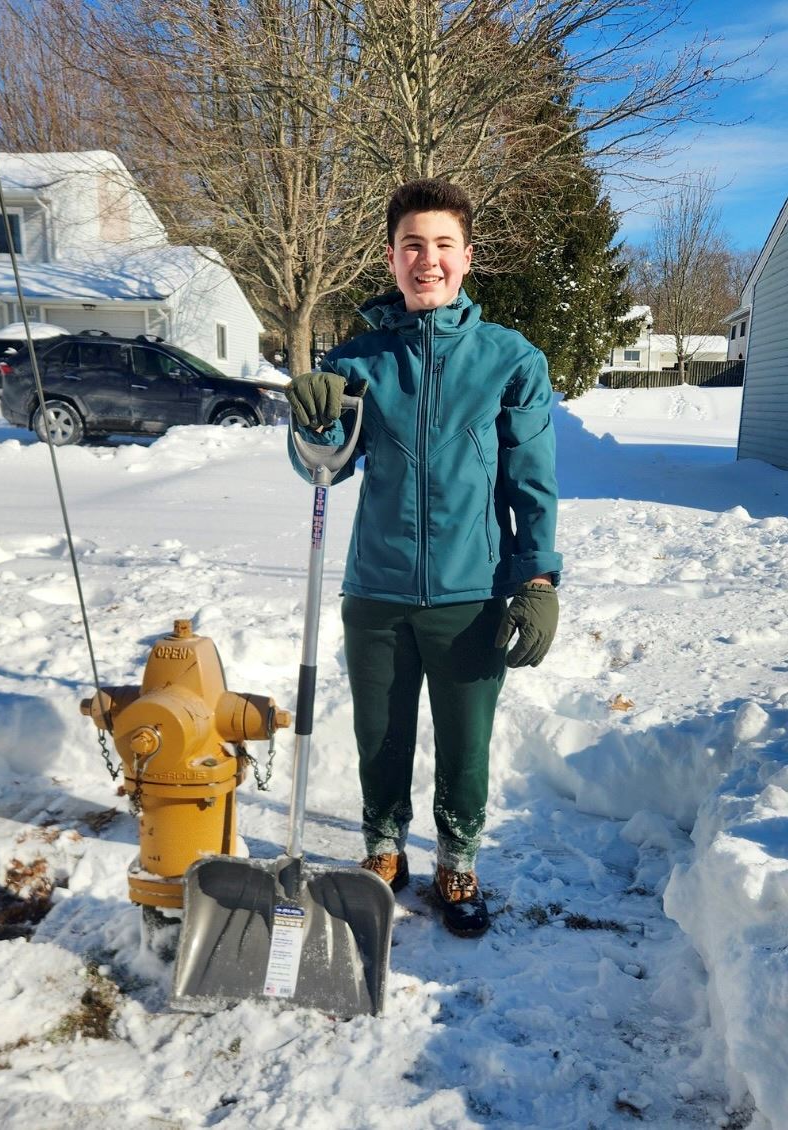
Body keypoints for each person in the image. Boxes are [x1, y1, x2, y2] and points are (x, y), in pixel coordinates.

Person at [285, 178, 561, 937]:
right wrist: (312, 420)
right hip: (375, 587)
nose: (427, 260)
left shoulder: (511, 360)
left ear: (467, 257)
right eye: (413, 246)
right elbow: (323, 466)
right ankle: (382, 845)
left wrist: (535, 578)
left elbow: (530, 480)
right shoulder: (358, 360)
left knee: (466, 743)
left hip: (470, 591)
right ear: (392, 256)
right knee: (380, 734)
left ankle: (458, 856)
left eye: (443, 245)